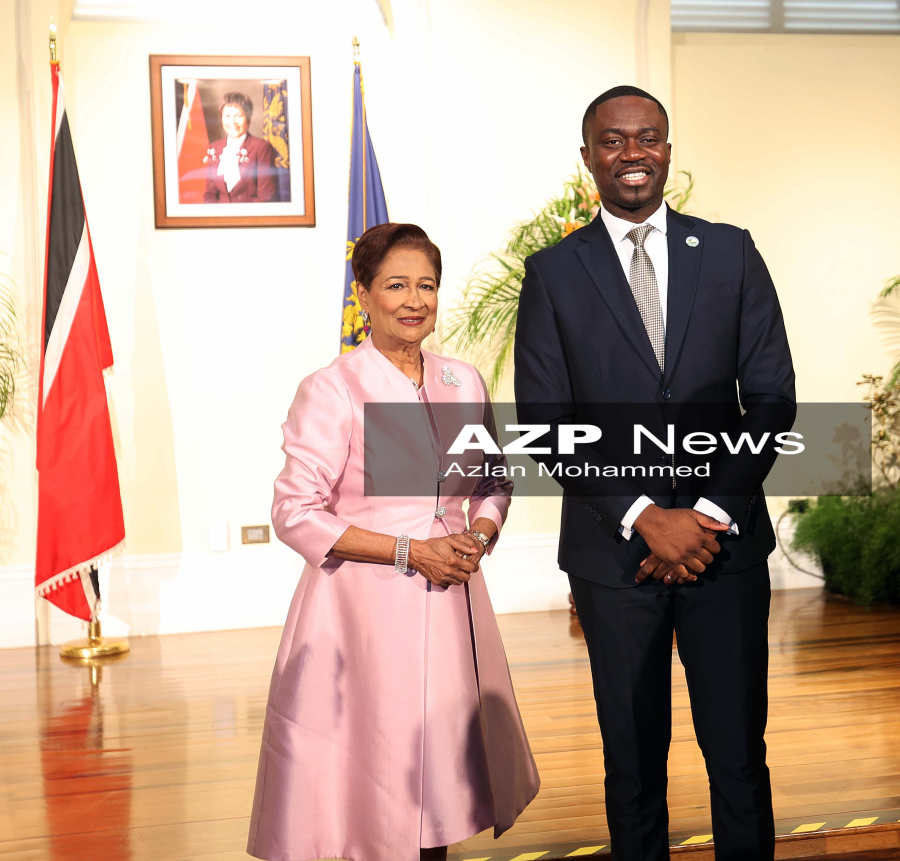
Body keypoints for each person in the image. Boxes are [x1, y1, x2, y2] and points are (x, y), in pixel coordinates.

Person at [514, 86, 795, 860]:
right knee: (632, 761)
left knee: (737, 753)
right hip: (615, 557)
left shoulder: (732, 251)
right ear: (587, 159)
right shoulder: (553, 273)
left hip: (723, 549)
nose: (632, 153)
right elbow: (545, 420)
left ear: (669, 149)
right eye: (613, 141)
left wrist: (703, 512)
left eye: (648, 138)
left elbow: (771, 398)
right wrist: (645, 513)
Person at [248, 223, 540, 861]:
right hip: (362, 606)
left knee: (438, 776)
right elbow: (294, 511)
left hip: (453, 596)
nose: (414, 300)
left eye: (426, 285)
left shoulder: (463, 380)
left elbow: (493, 479)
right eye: (396, 285)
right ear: (364, 296)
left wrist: (480, 533)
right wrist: (409, 552)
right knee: (374, 770)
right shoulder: (333, 388)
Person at [203, 91, 279, 203]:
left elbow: (266, 197)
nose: (233, 122)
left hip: (250, 217)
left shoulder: (262, 148)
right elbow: (210, 194)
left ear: (248, 118)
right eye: (227, 116)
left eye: (239, 116)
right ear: (222, 118)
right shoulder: (214, 148)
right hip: (219, 218)